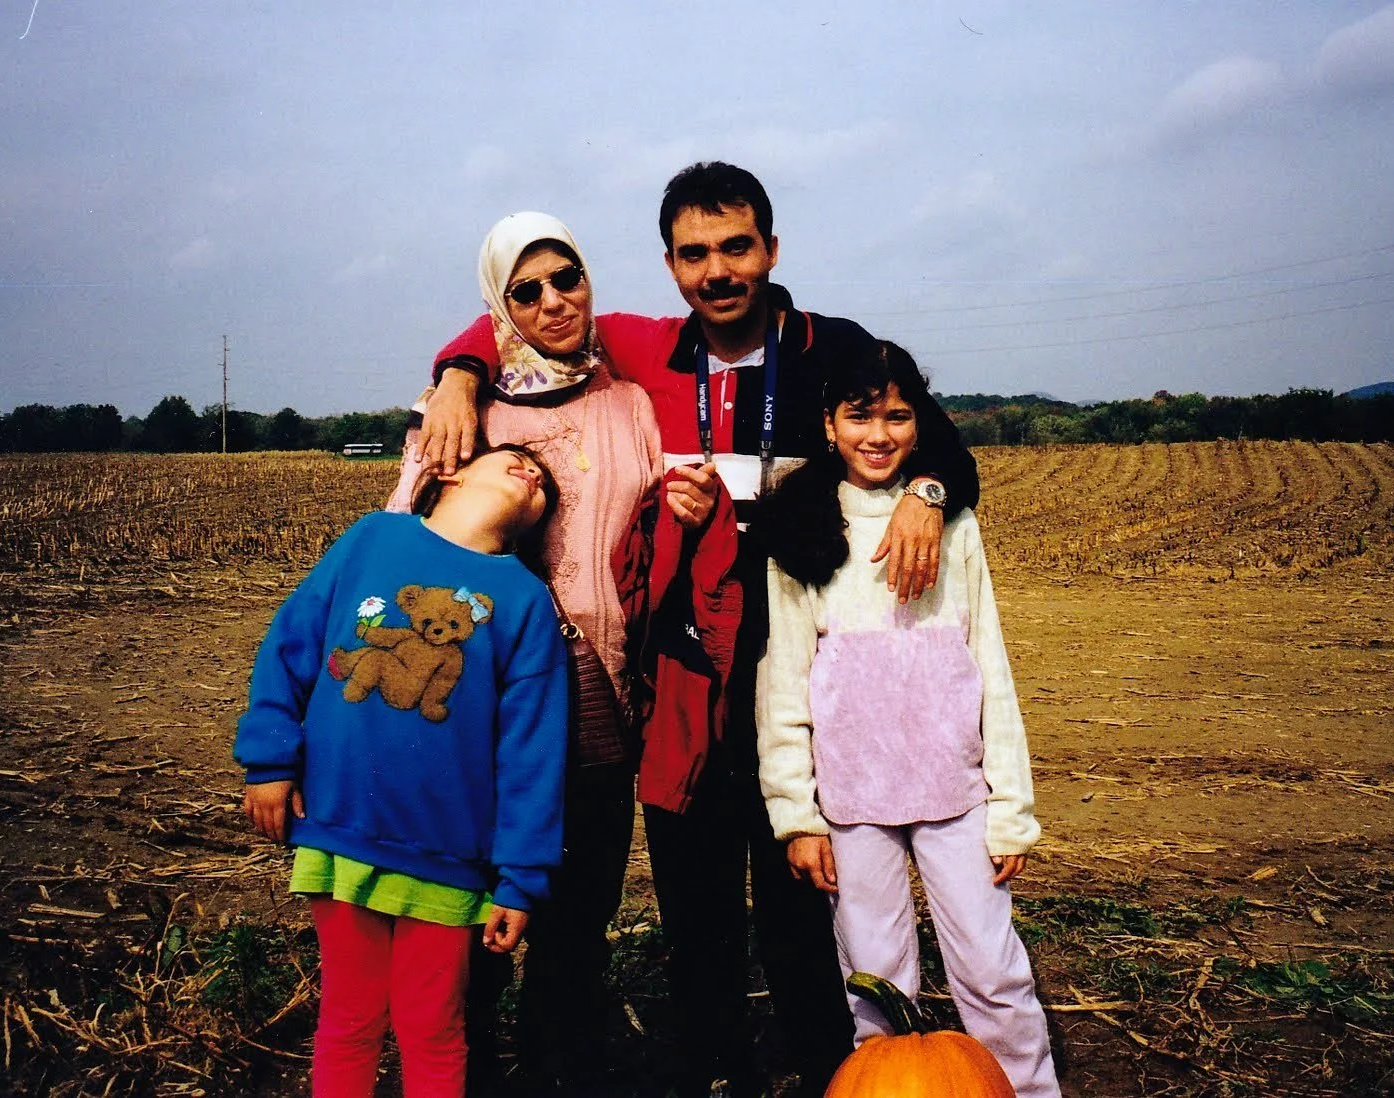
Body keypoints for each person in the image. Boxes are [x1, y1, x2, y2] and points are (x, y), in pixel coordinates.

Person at [415, 163, 979, 1098]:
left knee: (801, 877)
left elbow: (942, 440)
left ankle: (826, 1063)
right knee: (692, 882)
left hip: (808, 658)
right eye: (694, 254)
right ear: (671, 266)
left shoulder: (832, 348)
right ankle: (712, 1068)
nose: (717, 271)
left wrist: (923, 492)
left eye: (736, 248)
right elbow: (518, 310)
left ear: (771, 249)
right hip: (687, 662)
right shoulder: (648, 346)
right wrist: (457, 376)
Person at [389, 212, 742, 1095]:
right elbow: (404, 551)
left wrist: (685, 511)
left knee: (577, 915)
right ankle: (457, 1070)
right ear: (499, 307)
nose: (555, 301)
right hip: (481, 707)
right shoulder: (458, 414)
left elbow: (659, 529)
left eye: (568, 278)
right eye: (527, 290)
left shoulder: (629, 404)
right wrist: (457, 380)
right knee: (473, 915)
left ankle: (557, 1067)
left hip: (597, 702)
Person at [755, 342, 1061, 1098]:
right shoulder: (799, 528)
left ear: (919, 427)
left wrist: (1011, 809)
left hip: (955, 795)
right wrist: (797, 814)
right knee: (875, 982)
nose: (878, 434)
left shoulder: (951, 526)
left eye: (898, 416)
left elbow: (990, 666)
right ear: (828, 425)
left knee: (993, 974)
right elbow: (783, 685)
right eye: (859, 415)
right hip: (852, 805)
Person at [234, 443, 569, 1098]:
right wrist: (270, 757)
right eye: (515, 459)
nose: (533, 473)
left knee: (431, 1025)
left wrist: (521, 877)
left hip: (447, 857)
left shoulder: (524, 600)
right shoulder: (372, 539)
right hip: (338, 828)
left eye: (545, 485)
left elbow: (533, 747)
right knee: (350, 1017)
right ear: (448, 473)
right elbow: (292, 642)